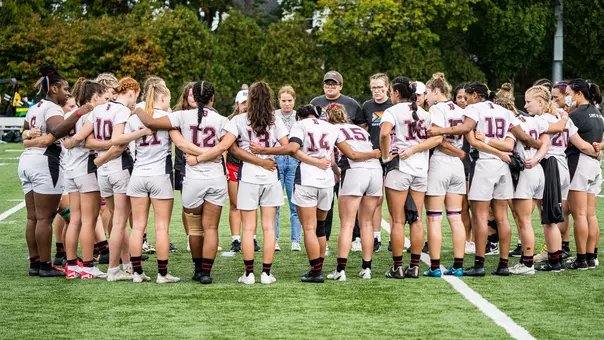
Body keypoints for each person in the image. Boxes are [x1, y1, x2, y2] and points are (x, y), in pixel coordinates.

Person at [429, 82, 541, 276]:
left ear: (474, 94)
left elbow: (467, 130)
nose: (465, 100)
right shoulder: (505, 111)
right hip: (502, 168)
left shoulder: (474, 108)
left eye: (467, 96)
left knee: (480, 217)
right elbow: (519, 140)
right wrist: (540, 144)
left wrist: (438, 131)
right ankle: (503, 264)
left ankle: (479, 264)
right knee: (502, 217)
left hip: (483, 166)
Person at [135, 80, 226, 284]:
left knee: (195, 229)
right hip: (215, 176)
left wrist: (136, 109)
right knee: (211, 228)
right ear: (212, 98)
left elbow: (151, 123)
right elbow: (226, 147)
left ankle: (197, 268)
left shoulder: (182, 116)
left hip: (193, 177)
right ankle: (206, 272)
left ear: (193, 96)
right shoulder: (221, 119)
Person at [67, 77, 142, 281]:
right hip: (117, 168)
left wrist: (101, 155)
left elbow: (89, 141)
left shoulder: (98, 111)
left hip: (102, 173)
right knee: (119, 222)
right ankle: (114, 269)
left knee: (115, 220)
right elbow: (118, 141)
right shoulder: (122, 111)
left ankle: (126, 265)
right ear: (133, 92)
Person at [18, 64, 89, 277]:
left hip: (27, 162)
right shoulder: (52, 108)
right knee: (44, 218)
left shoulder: (34, 107)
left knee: (32, 218)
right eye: (65, 88)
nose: (68, 93)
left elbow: (24, 134)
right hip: (45, 162)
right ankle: (46, 266)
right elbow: (58, 129)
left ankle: (35, 263)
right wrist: (78, 113)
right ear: (55, 88)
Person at [220, 82, 287, 284]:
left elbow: (232, 148)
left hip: (248, 177)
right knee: (268, 227)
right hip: (270, 176)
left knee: (248, 228)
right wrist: (266, 156)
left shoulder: (239, 120)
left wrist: (257, 158)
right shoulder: (275, 121)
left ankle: (248, 273)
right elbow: (287, 147)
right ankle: (266, 273)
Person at [380, 76, 442, 279]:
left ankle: (397, 267)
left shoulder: (392, 110)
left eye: (391, 91)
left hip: (399, 168)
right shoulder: (425, 113)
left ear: (396, 93)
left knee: (397, 220)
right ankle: (414, 266)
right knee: (415, 219)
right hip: (420, 170)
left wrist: (385, 156)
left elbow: (384, 134)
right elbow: (436, 138)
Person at [323, 104, 382, 280]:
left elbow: (347, 156)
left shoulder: (331, 129)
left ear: (328, 117)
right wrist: (373, 155)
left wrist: (336, 172)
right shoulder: (359, 129)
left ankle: (340, 270)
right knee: (367, 223)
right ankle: (367, 269)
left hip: (355, 172)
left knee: (347, 224)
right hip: (375, 172)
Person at [61, 80, 112, 279]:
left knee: (74, 220)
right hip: (87, 170)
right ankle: (88, 266)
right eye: (104, 98)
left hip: (71, 171)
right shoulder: (93, 114)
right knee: (89, 221)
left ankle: (72, 264)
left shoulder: (68, 115)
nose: (106, 101)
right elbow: (90, 141)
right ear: (95, 97)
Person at [311, 71, 366, 244]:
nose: (330, 86)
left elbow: (361, 126)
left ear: (340, 85)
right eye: (327, 83)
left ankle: (355, 237)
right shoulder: (315, 102)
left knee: (350, 199)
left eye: (334, 84)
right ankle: (324, 238)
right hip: (324, 158)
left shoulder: (351, 103)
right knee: (325, 202)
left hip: (347, 157)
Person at [423, 73, 468, 277]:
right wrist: (459, 152)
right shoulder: (460, 108)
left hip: (441, 161)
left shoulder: (436, 108)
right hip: (457, 166)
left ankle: (434, 267)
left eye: (427, 93)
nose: (426, 98)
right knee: (456, 217)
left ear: (435, 91)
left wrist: (456, 151)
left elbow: (437, 138)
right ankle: (458, 265)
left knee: (434, 218)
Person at [564, 79, 604, 270]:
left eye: (569, 93)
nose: (566, 97)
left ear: (579, 93)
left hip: (580, 163)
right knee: (590, 215)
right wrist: (598, 150)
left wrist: (593, 150)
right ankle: (591, 256)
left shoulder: (576, 114)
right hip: (595, 166)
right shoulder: (597, 112)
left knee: (579, 214)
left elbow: (579, 144)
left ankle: (581, 259)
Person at [226, 90, 261, 253]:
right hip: (234, 164)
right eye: (243, 103)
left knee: (251, 204)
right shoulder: (230, 121)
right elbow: (224, 146)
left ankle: (252, 237)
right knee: (235, 204)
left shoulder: (258, 121)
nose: (246, 106)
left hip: (251, 165)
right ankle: (236, 239)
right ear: (237, 104)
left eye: (249, 103)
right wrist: (223, 166)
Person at [363, 73, 393, 253]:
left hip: (391, 156)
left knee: (393, 199)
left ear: (387, 87)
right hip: (373, 156)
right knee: (376, 199)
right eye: (374, 87)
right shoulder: (367, 106)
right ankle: (376, 237)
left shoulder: (394, 106)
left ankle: (394, 236)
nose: (377, 91)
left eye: (380, 87)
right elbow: (363, 130)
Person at [274, 86, 303, 251]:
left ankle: (295, 240)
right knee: (274, 202)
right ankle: (274, 240)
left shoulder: (299, 117)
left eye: (289, 100)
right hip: (277, 159)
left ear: (294, 100)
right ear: (279, 101)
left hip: (293, 160)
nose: (286, 104)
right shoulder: (273, 116)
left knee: (295, 202)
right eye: (283, 100)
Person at [173, 82, 196, 251]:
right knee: (187, 203)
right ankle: (190, 237)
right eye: (190, 95)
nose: (194, 98)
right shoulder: (178, 115)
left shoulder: (211, 114)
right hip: (184, 164)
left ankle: (201, 235)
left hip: (206, 164)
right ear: (185, 97)